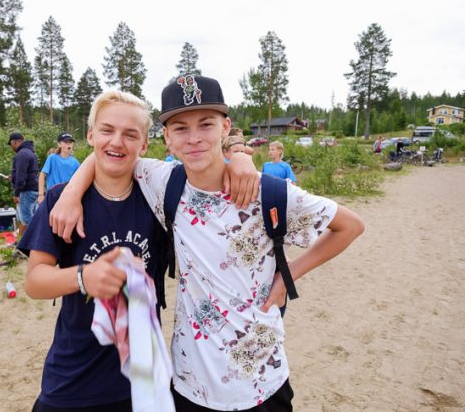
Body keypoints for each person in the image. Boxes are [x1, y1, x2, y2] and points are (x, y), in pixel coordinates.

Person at [52, 75, 365, 411]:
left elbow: (350, 226)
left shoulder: (268, 192)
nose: (194, 138)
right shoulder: (163, 182)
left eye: (206, 124)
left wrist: (287, 277)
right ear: (167, 137)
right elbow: (109, 152)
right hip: (190, 384)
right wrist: (71, 192)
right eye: (181, 128)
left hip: (261, 382)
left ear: (225, 127)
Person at [8, 132, 39, 239]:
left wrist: (16, 194)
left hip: (26, 191)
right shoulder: (30, 152)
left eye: (11, 144)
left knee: (26, 220)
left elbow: (21, 177)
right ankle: (31, 243)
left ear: (14, 142)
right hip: (34, 189)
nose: (11, 147)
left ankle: (33, 244)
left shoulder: (22, 154)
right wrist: (13, 176)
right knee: (33, 218)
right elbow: (29, 172)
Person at [38, 132, 80, 204]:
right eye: (66, 142)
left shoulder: (75, 162)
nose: (68, 144)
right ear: (59, 144)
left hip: (67, 198)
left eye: (70, 142)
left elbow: (79, 181)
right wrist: (41, 195)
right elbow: (42, 175)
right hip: (52, 197)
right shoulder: (52, 158)